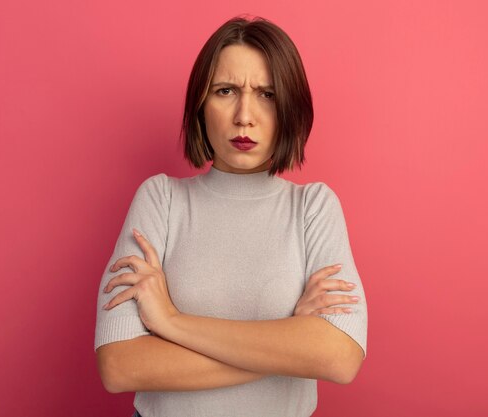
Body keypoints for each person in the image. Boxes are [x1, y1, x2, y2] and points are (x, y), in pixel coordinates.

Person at [94, 16, 367, 417]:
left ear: (291, 107)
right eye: (225, 91)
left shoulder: (313, 207)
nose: (244, 115)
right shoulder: (161, 199)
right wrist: (288, 342)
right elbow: (119, 366)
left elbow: (339, 358)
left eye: (267, 94)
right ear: (201, 105)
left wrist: (170, 322)